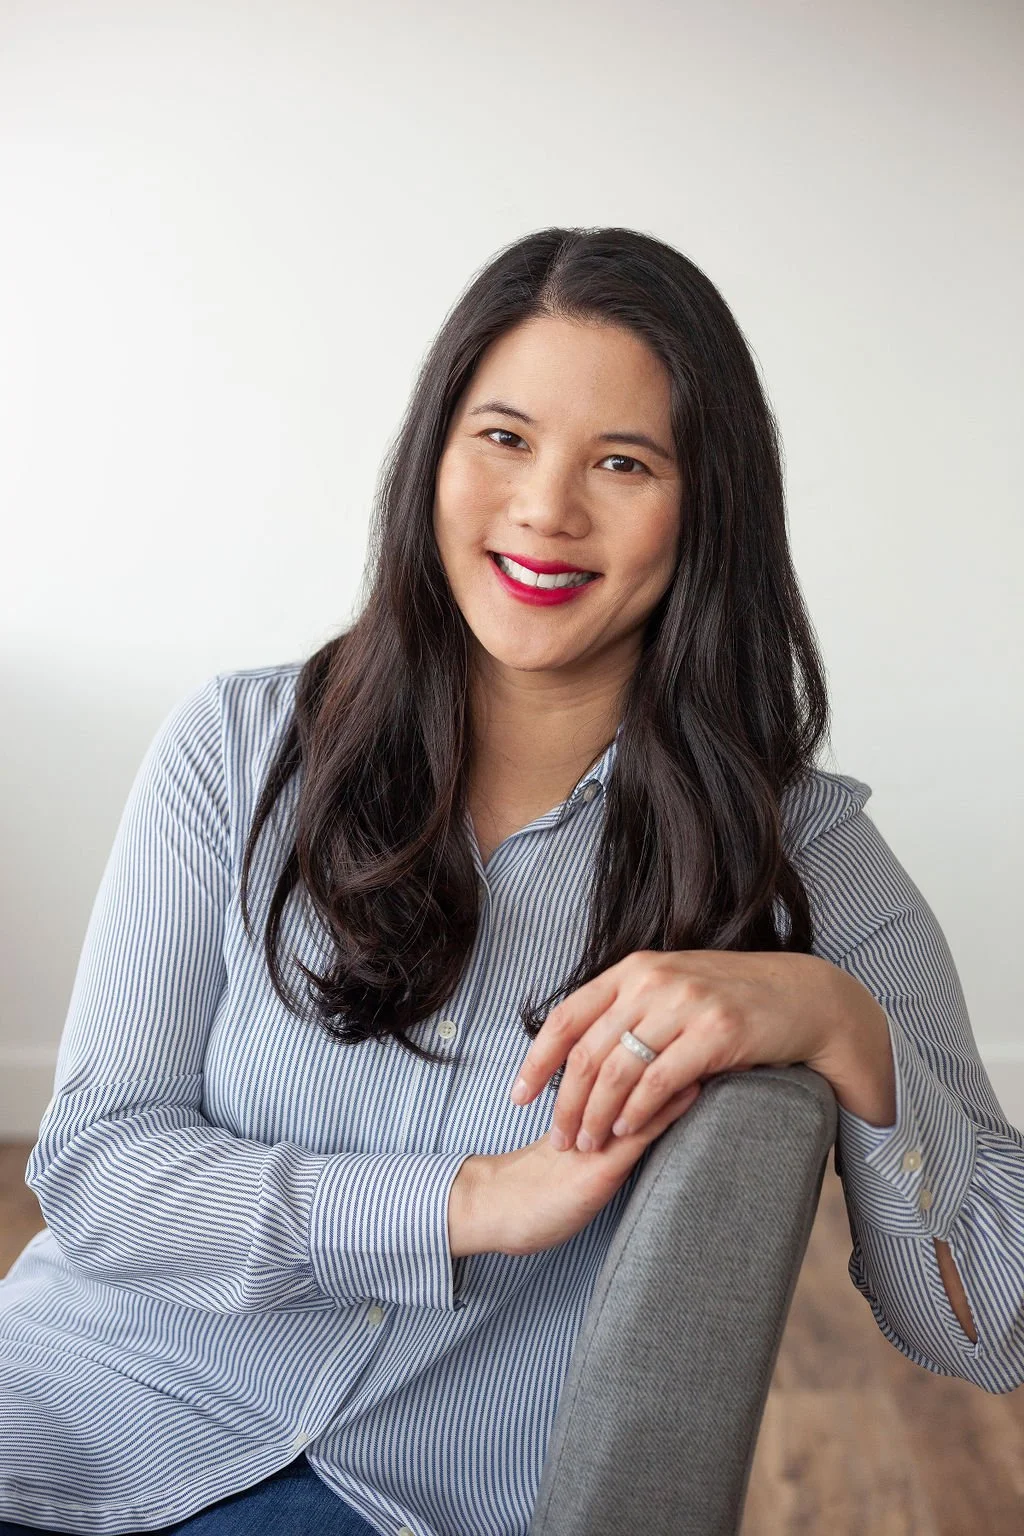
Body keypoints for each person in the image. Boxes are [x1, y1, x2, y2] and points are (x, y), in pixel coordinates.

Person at [0, 225, 1021, 1536]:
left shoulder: (809, 855)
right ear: (433, 456)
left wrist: (840, 1023)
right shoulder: (239, 749)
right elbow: (96, 1171)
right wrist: (472, 1202)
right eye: (504, 438)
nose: (548, 507)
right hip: (82, 1403)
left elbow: (992, 1329)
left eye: (623, 462)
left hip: (404, 1501)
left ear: (707, 507)